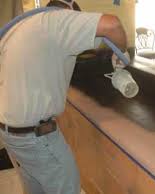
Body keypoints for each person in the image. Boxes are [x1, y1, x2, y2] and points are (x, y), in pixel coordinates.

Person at [0, 0, 129, 193]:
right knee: (66, 185)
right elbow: (113, 25)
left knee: (36, 187)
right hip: (36, 137)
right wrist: (122, 52)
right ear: (69, 11)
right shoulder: (59, 20)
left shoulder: (21, 27)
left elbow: (97, 39)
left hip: (10, 132)